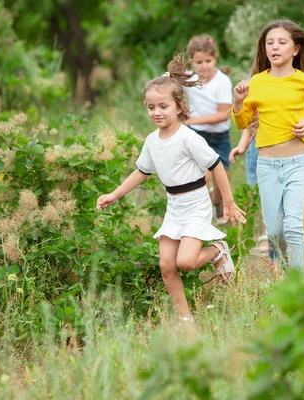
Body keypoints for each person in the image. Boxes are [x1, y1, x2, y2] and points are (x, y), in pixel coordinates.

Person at [97, 55, 246, 322]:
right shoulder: (152, 141)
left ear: (178, 107)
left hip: (196, 203)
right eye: (151, 107)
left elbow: (216, 166)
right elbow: (141, 172)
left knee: (186, 262)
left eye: (163, 106)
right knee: (167, 265)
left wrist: (229, 202)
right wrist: (114, 195)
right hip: (174, 206)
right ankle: (185, 320)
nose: (156, 112)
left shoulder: (188, 137)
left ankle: (218, 250)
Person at [231, 19, 304, 270]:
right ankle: (282, 275)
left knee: (293, 226)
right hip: (267, 165)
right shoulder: (256, 83)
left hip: (298, 162)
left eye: (282, 42)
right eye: (269, 43)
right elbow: (243, 123)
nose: (274, 47)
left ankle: (298, 285)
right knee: (274, 231)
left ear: (295, 50)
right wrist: (239, 101)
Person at [184, 34, 233, 223]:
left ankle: (218, 201)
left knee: (222, 180)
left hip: (220, 136)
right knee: (203, 177)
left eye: (208, 60)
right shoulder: (189, 79)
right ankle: (201, 214)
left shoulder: (222, 81)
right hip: (198, 135)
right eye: (198, 62)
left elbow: (223, 114)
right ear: (191, 62)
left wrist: (194, 120)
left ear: (215, 58)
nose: (203, 65)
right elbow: (170, 88)